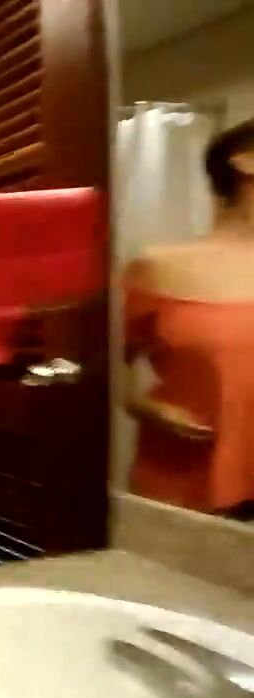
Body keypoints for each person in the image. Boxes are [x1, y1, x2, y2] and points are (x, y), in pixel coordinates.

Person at [122, 117, 254, 518]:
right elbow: (100, 363)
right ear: (246, 162)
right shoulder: (157, 267)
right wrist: (142, 404)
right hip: (190, 480)